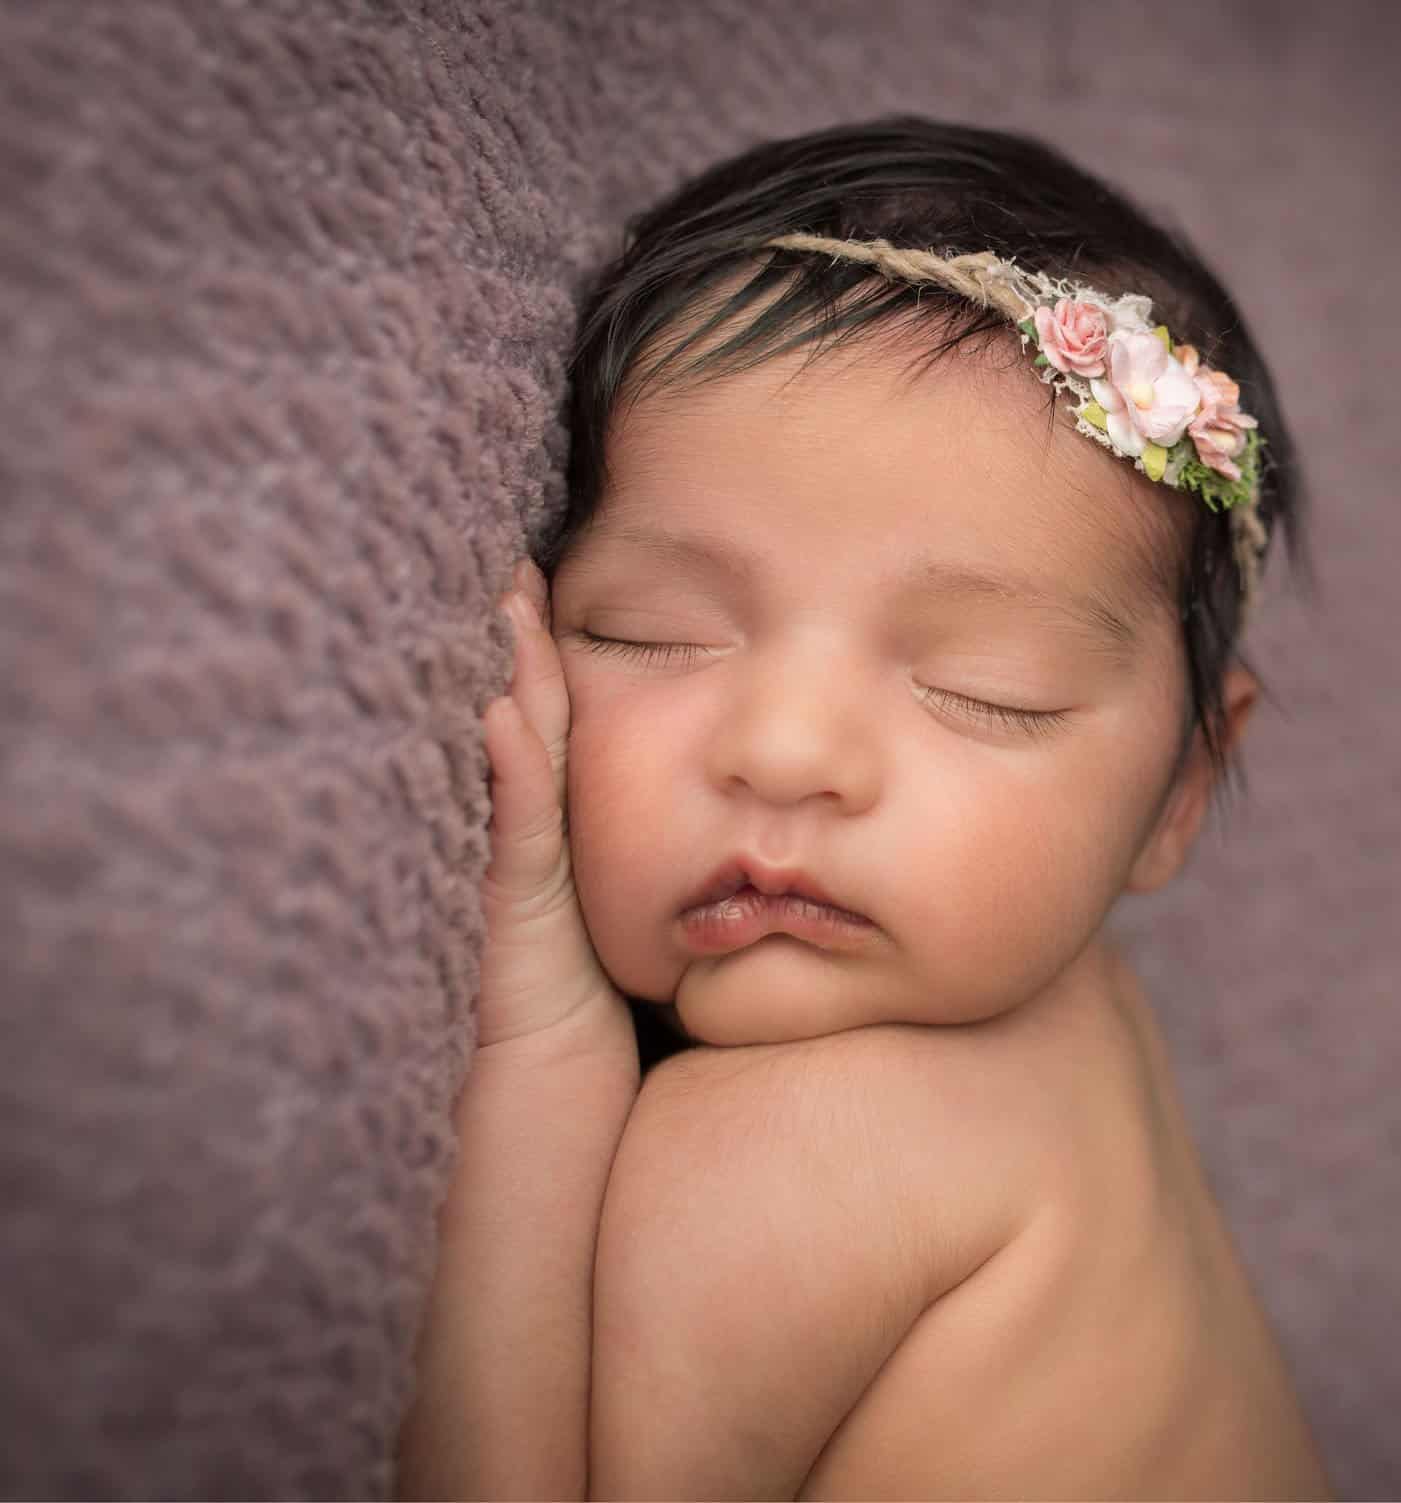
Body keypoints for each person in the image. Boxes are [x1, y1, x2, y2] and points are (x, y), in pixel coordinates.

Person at [397, 114, 1329, 1500]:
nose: (785, 752)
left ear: (1178, 789)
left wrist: (537, 1037)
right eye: (653, 632)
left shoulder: (781, 1157)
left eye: (988, 689)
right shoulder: (1078, 1029)